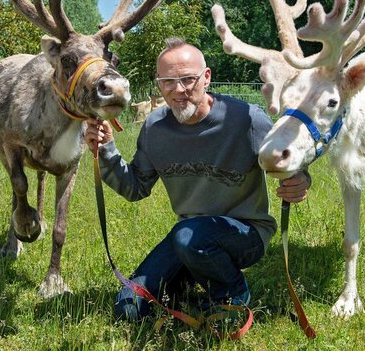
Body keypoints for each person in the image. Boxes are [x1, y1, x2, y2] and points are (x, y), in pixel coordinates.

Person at [85, 37, 310, 322]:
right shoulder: (155, 128)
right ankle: (192, 278)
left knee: (190, 237)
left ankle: (233, 298)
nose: (178, 90)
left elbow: (292, 161)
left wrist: (301, 180)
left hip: (247, 233)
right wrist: (105, 149)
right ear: (159, 85)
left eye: (188, 79)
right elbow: (135, 188)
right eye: (168, 81)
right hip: (189, 238)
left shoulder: (246, 120)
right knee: (129, 309)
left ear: (206, 78)